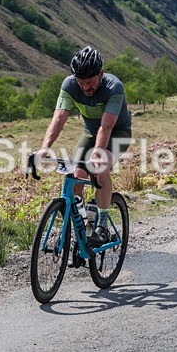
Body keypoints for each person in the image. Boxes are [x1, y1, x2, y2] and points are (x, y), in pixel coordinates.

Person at [34, 46, 132, 246]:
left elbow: (107, 126)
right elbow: (59, 117)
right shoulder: (69, 85)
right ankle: (84, 228)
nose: (86, 87)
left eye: (91, 82)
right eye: (82, 83)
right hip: (90, 131)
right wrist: (45, 148)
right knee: (76, 177)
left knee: (100, 166)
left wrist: (97, 154)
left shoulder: (114, 87)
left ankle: (102, 226)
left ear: (101, 74)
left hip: (117, 133)